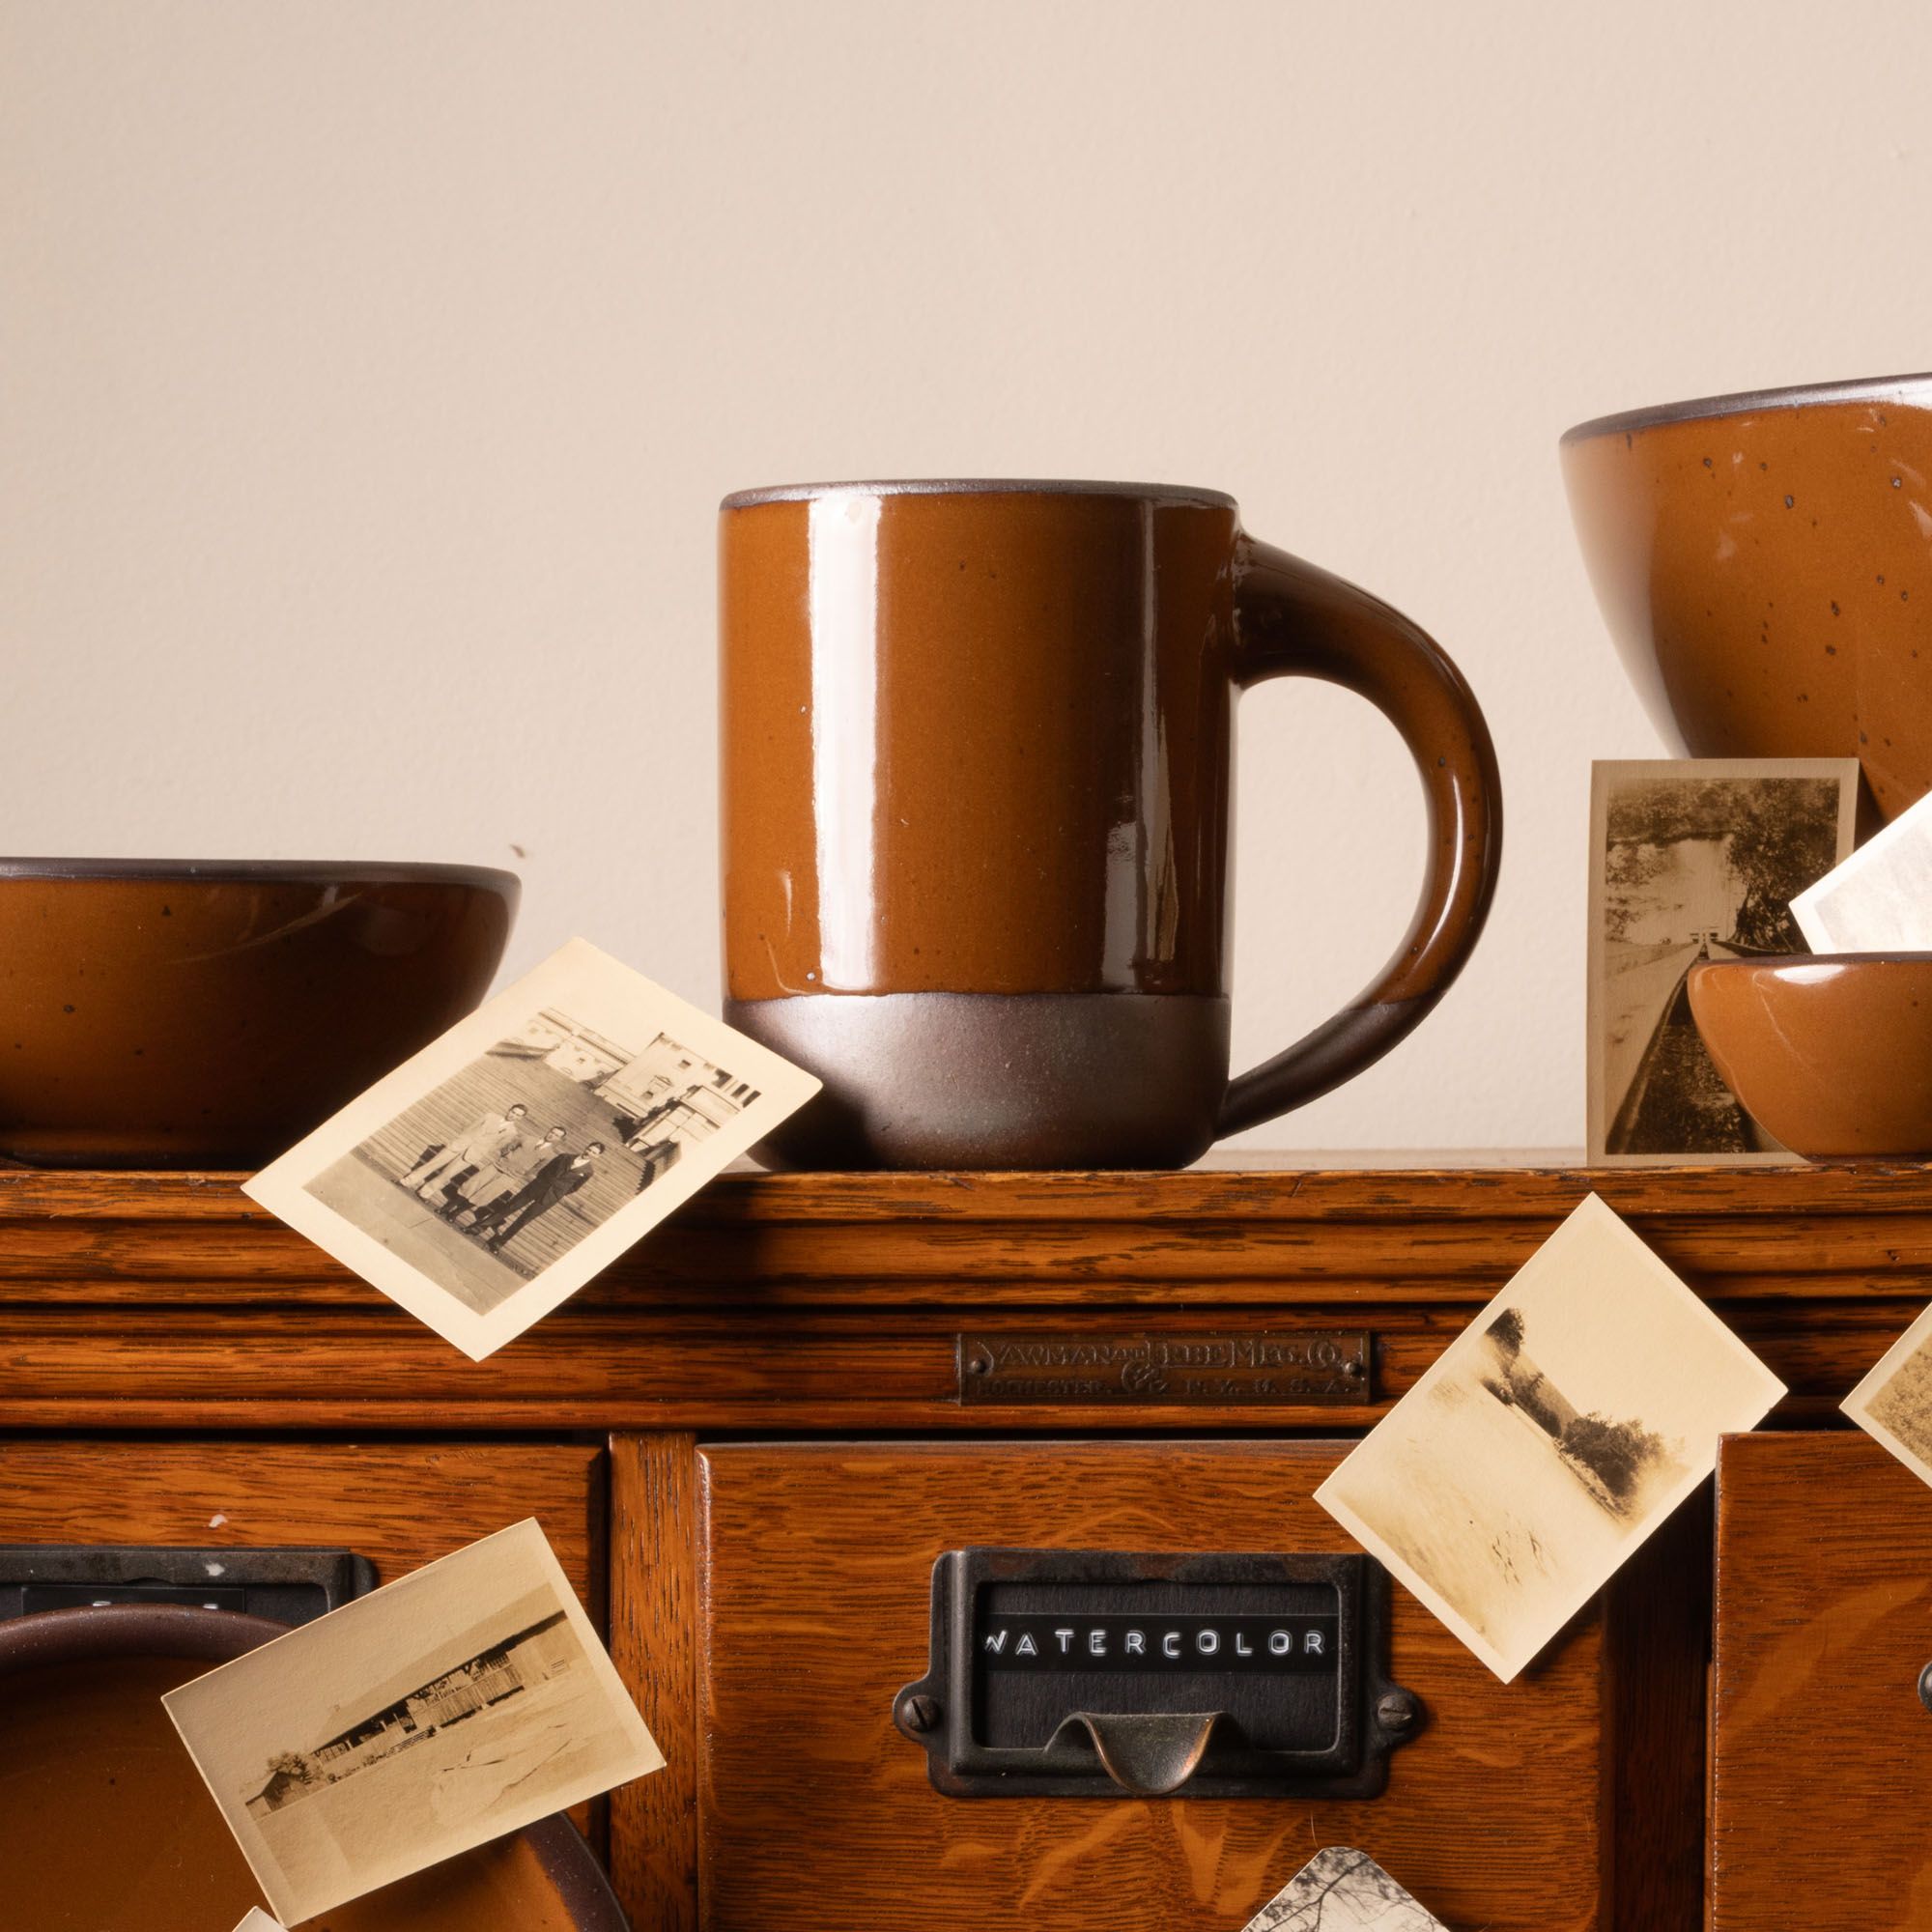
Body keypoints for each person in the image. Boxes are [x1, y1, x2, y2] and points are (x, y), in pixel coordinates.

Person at [469, 1140, 607, 1255]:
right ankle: (481, 1226)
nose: (590, 1153)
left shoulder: (588, 1172)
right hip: (538, 1186)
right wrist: (542, 1181)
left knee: (525, 1219)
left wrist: (558, 1192)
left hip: (551, 1197)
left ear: (597, 1156)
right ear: (586, 1147)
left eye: (594, 1153)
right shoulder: (565, 1157)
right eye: (590, 1149)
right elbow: (545, 1170)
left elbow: (574, 1187)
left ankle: (498, 1242)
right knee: (511, 1206)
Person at [401, 1102, 527, 1205]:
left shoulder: (511, 1132)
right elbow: (470, 1127)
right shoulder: (490, 1116)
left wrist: (481, 1149)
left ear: (520, 1118)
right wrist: (462, 1139)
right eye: (513, 1112)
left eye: (517, 1115)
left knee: (447, 1174)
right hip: (461, 1144)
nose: (513, 1116)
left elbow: (496, 1146)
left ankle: (425, 1192)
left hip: (474, 1153)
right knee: (433, 1163)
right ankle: (408, 1180)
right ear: (509, 1109)